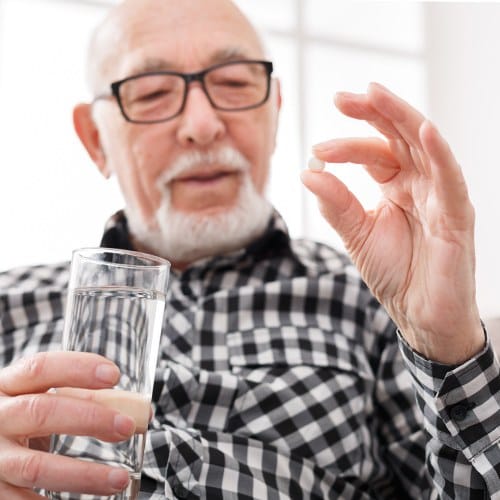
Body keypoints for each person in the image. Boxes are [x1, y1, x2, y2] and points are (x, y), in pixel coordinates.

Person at [0, 0, 499, 498]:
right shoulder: (10, 305)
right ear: (94, 140)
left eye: (235, 83)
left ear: (275, 111)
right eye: (152, 93)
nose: (203, 124)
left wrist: (445, 340)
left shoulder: (372, 297)